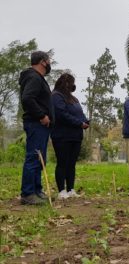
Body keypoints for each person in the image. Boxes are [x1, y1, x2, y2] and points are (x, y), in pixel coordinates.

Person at [19, 51, 54, 205]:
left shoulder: (37, 78)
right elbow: (27, 98)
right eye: (48, 60)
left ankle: (37, 190)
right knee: (34, 157)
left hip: (41, 125)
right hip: (36, 123)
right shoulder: (33, 77)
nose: (50, 63)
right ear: (42, 62)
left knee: (40, 159)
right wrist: (41, 115)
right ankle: (27, 193)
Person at [51, 73, 89, 199]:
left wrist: (85, 121)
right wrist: (79, 123)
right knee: (62, 162)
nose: (73, 85)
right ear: (65, 83)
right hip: (62, 136)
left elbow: (80, 113)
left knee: (71, 163)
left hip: (75, 136)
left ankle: (71, 189)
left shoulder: (73, 99)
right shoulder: (56, 96)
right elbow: (61, 114)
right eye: (71, 82)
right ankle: (61, 191)